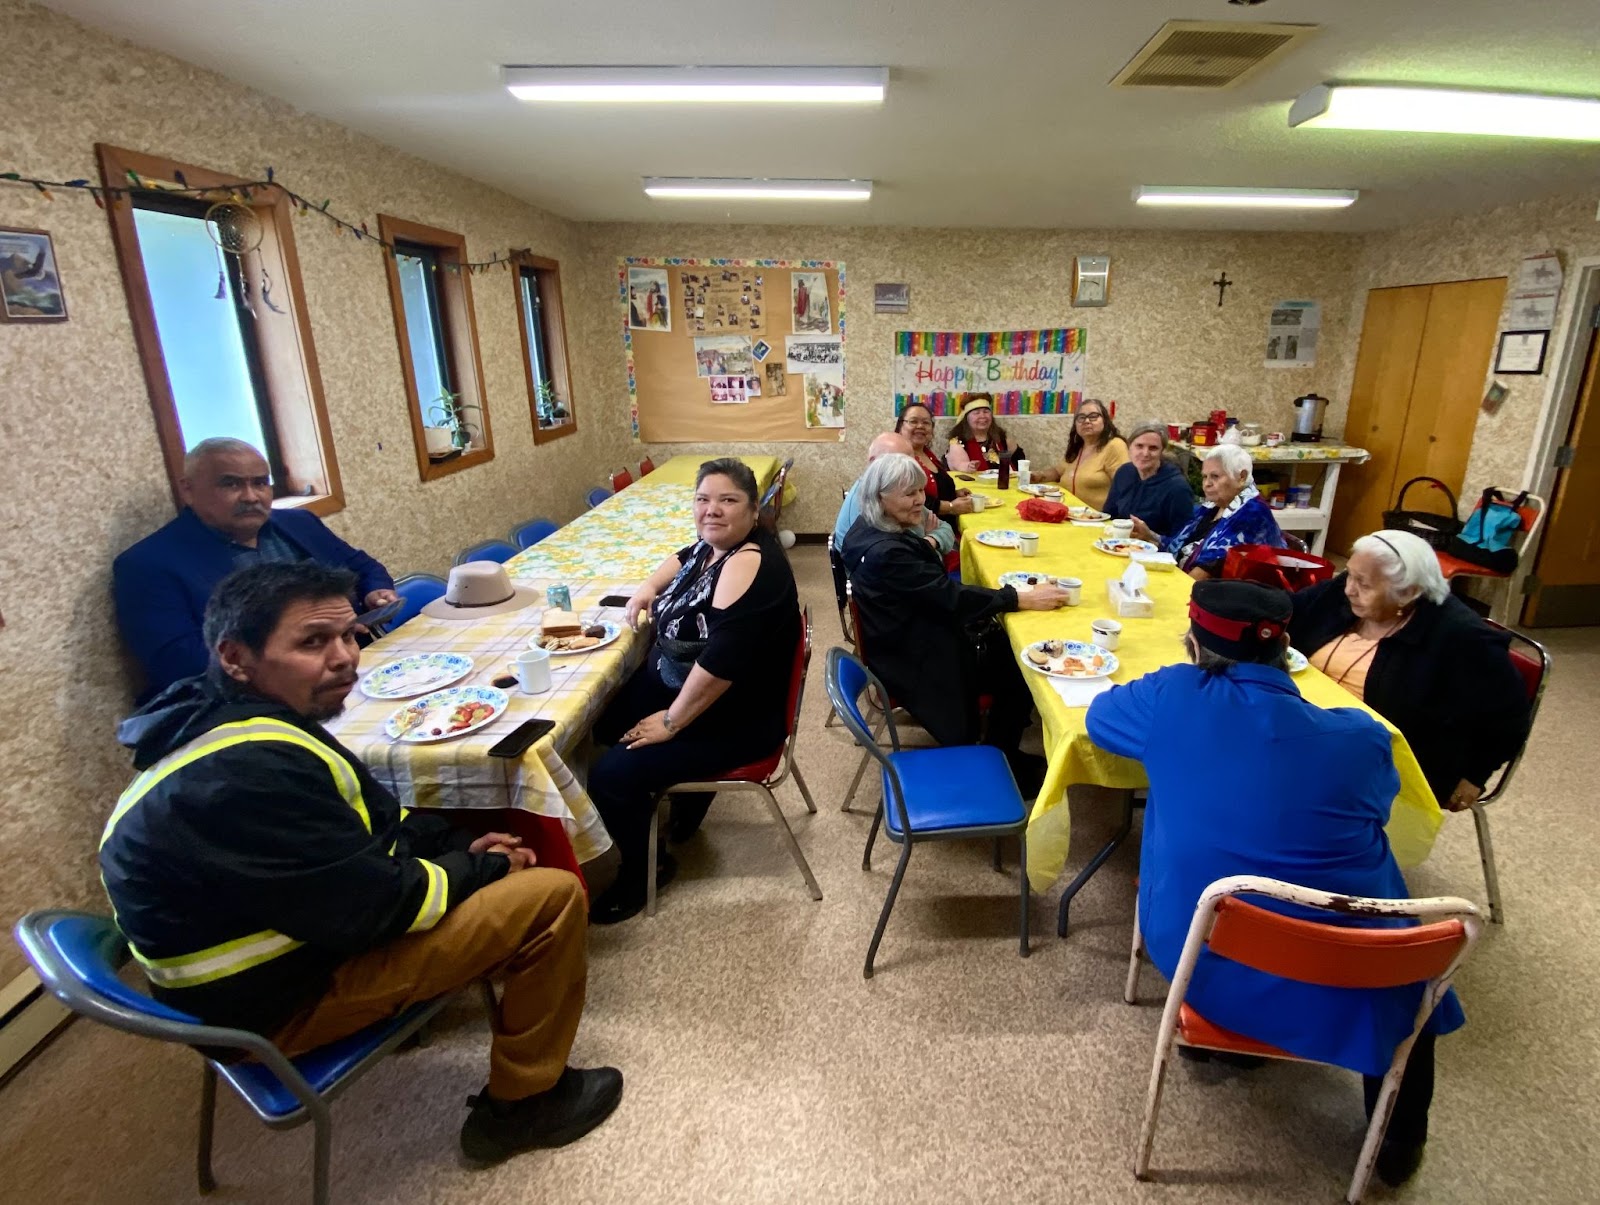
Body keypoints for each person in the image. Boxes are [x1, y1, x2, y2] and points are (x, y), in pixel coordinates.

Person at [98, 562, 621, 1165]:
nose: (345, 656)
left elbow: (367, 824)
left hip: (266, 962)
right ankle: (524, 1105)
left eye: (349, 635)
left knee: (479, 859)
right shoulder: (249, 771)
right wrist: (482, 870)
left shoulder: (228, 724)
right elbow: (374, 908)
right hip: (268, 1011)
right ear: (236, 657)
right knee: (550, 897)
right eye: (313, 642)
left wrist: (456, 848)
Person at [1086, 579, 1464, 1187]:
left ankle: (1218, 1038)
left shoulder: (1173, 697)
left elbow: (1101, 718)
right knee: (1411, 980)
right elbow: (1383, 806)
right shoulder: (1364, 738)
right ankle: (1397, 1138)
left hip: (1201, 946)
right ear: (1285, 646)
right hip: (1360, 965)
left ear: (1193, 647)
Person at [589, 459, 801, 924]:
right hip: (692, 688)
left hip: (735, 714)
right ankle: (682, 796)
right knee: (602, 724)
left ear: (753, 509)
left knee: (608, 776)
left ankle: (647, 869)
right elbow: (683, 556)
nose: (712, 511)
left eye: (728, 501)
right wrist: (648, 587)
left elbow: (721, 665)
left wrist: (670, 723)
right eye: (703, 500)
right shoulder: (715, 549)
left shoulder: (749, 566)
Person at [840, 453, 1071, 788]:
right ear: (880, 498)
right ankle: (999, 757)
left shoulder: (868, 526)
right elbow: (948, 598)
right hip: (911, 658)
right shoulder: (888, 553)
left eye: (920, 490)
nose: (920, 500)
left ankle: (1000, 748)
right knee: (1019, 662)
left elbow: (931, 591)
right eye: (909, 494)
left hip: (896, 635)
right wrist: (1016, 597)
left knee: (1003, 640)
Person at [113, 438, 396, 702]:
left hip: (353, 673)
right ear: (188, 490)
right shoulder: (147, 564)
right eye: (231, 485)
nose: (251, 496)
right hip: (249, 702)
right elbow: (180, 663)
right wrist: (315, 641)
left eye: (260, 483)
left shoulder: (299, 523)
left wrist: (376, 591)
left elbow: (363, 567)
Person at [1290, 529, 1531, 811]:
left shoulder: (1463, 638)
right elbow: (1289, 609)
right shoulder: (1346, 589)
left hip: (1387, 756)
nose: (1348, 589)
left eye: (1364, 584)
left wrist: (1476, 774)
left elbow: (1509, 715)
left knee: (1275, 780)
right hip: (1316, 726)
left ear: (1408, 592)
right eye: (1350, 574)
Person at [1128, 443, 1284, 580]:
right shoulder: (1213, 507)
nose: (1207, 484)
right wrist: (1149, 535)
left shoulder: (1251, 514)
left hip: (1226, 601)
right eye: (1205, 477)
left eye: (1215, 476)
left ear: (1241, 477)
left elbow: (1203, 575)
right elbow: (1180, 546)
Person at [834, 431, 954, 561]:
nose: (908, 468)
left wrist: (931, 540)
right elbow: (906, 560)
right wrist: (926, 545)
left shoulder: (903, 495)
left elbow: (945, 528)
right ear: (874, 462)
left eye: (911, 461)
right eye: (897, 461)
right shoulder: (869, 505)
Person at [1030, 398, 1128, 512]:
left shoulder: (1115, 445)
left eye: (1093, 416)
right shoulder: (1078, 448)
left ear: (1105, 421)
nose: (1086, 421)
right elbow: (1057, 472)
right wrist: (1037, 475)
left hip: (1097, 519)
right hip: (1068, 514)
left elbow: (1125, 487)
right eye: (1081, 417)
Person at [895, 400, 975, 537]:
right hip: (925, 535)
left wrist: (954, 493)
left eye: (926, 422)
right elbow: (913, 500)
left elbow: (935, 486)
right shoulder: (899, 459)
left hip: (945, 529)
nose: (920, 426)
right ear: (901, 426)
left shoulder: (927, 453)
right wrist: (950, 507)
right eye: (913, 421)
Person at [1104, 422, 1195, 537]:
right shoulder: (1124, 472)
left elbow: (1183, 540)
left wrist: (1151, 536)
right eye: (1139, 446)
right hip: (1117, 545)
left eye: (1153, 448)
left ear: (1162, 451)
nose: (1145, 453)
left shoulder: (1178, 488)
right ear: (1129, 447)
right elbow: (1108, 515)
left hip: (1155, 552)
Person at [943, 394, 1025, 471]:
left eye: (986, 411)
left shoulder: (1002, 439)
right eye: (976, 413)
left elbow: (1020, 461)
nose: (982, 416)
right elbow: (960, 465)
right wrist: (969, 467)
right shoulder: (957, 442)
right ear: (966, 419)